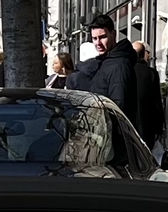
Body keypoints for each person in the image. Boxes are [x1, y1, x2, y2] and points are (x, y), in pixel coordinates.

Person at [67, 13, 163, 144]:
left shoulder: (119, 65)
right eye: (94, 38)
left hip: (109, 141)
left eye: (102, 37)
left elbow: (118, 107)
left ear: (113, 34)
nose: (98, 43)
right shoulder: (106, 61)